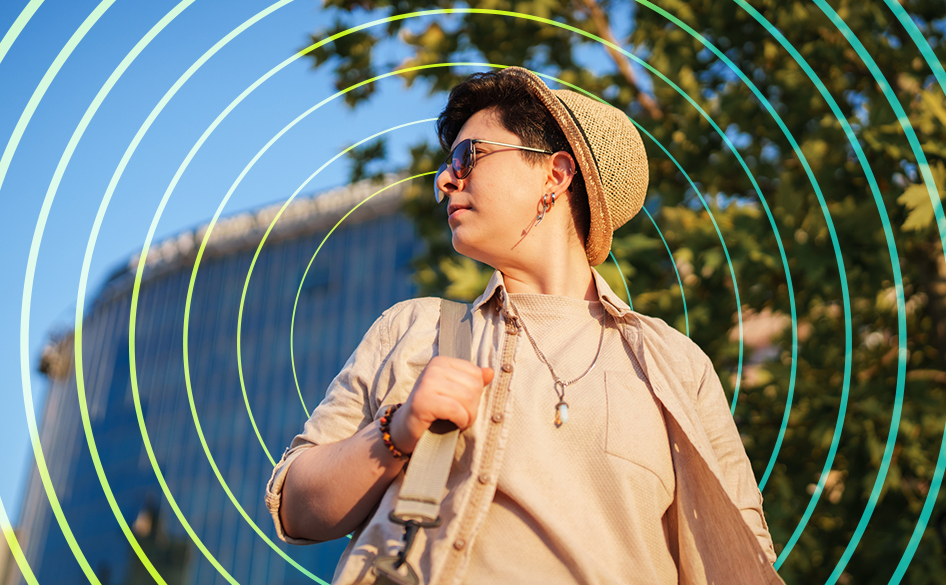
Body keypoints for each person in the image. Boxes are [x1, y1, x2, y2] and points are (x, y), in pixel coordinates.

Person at [266, 66, 783, 585]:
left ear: (555, 174)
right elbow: (294, 509)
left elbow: (744, 561)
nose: (445, 181)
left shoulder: (674, 364)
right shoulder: (413, 329)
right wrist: (397, 431)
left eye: (467, 157)